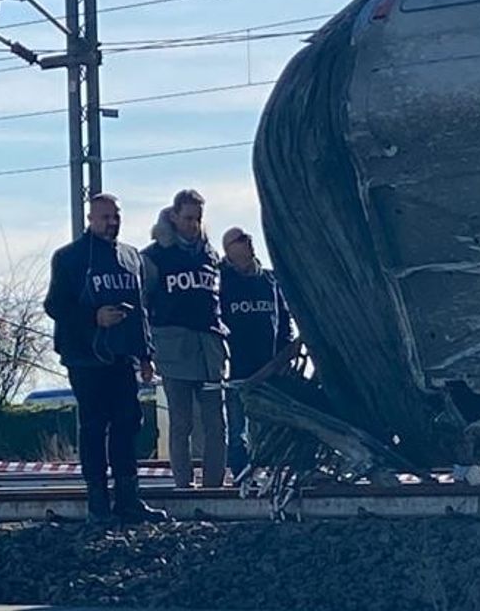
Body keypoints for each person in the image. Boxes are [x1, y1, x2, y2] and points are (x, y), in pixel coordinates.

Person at [44, 193, 167, 523]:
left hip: (123, 355)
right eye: (105, 217)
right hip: (85, 356)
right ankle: (98, 503)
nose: (112, 223)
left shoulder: (131, 258)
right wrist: (93, 317)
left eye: (116, 217)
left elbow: (140, 309)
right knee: (94, 426)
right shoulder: (70, 258)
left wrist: (146, 355)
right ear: (90, 219)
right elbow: (55, 306)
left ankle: (129, 499)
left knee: (128, 423)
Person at [142, 189, 228, 489]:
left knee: (216, 423)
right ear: (174, 215)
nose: (193, 224)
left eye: (198, 219)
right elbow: (142, 302)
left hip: (210, 348)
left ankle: (214, 485)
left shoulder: (210, 255)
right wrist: (146, 350)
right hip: (173, 349)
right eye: (188, 217)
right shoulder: (154, 256)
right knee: (181, 423)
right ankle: (183, 484)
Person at [219, 226, 297, 482]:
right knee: (237, 429)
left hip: (270, 366)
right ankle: (242, 475)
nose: (247, 241)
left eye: (248, 238)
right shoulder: (223, 282)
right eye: (240, 239)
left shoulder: (270, 280)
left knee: (272, 426)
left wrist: (286, 353)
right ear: (228, 250)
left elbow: (285, 320)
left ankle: (273, 474)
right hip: (237, 367)